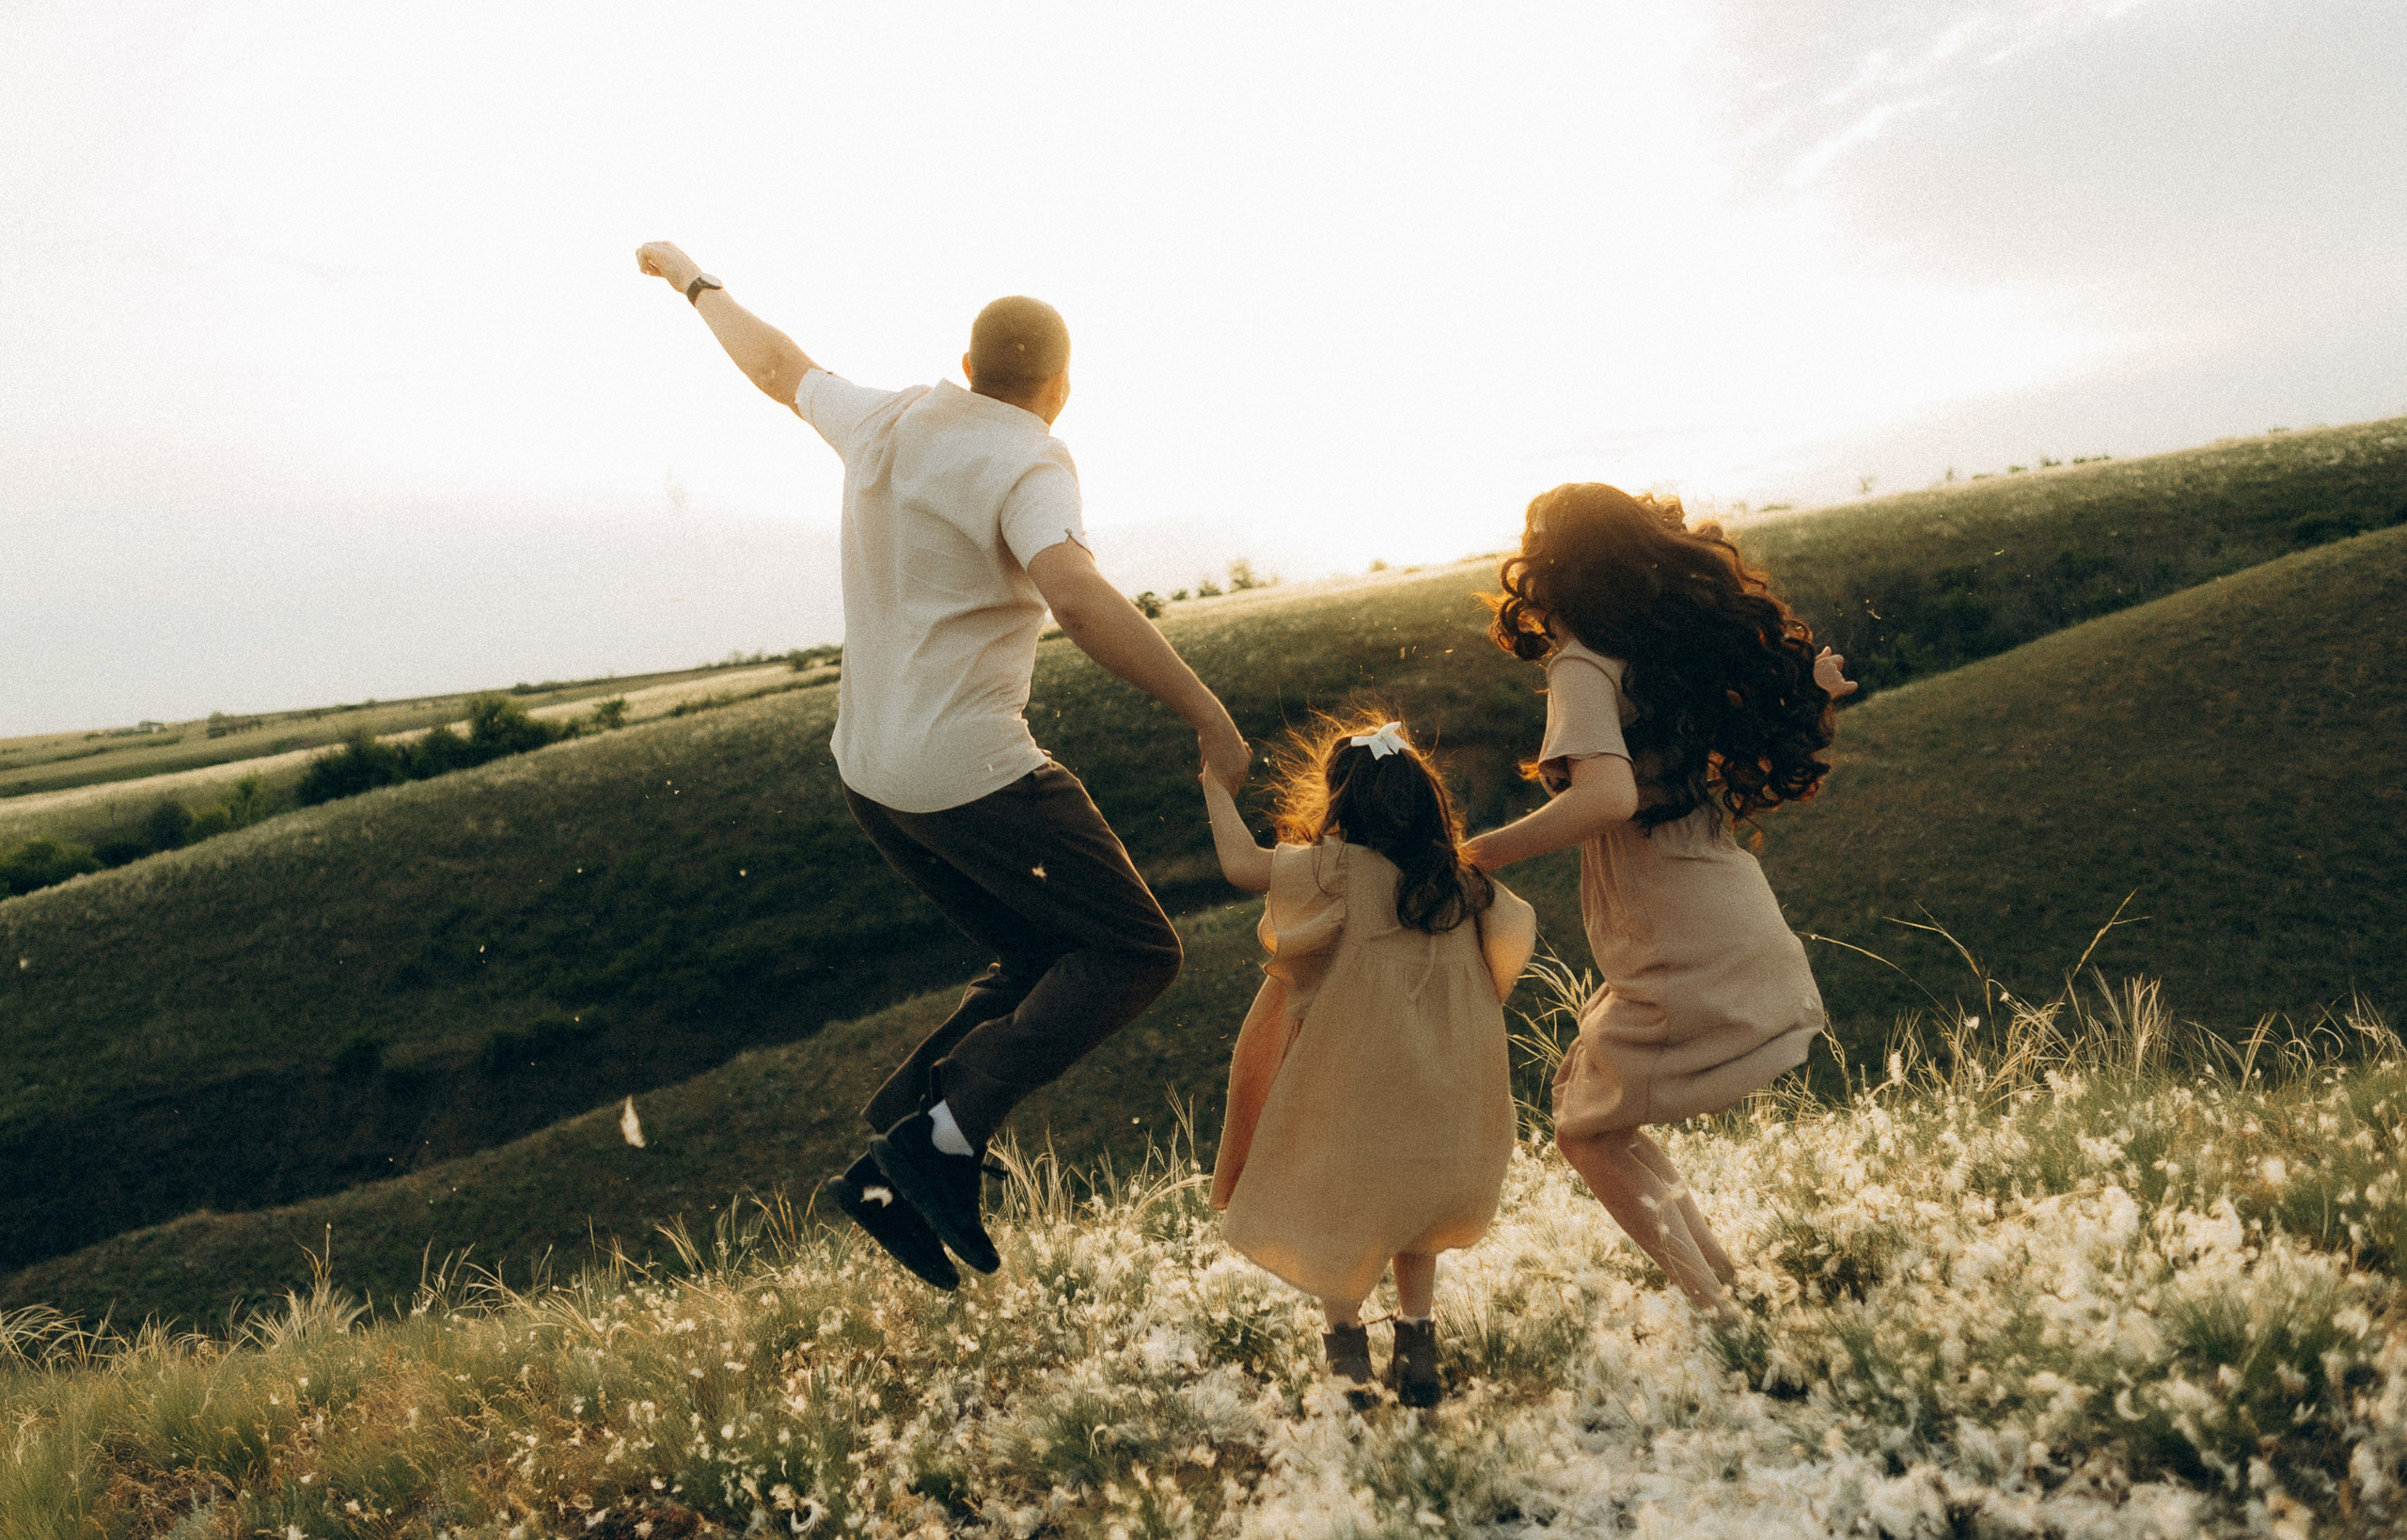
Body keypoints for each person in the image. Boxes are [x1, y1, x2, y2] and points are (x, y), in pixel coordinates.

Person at [636, 242, 1251, 1290]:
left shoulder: (890, 417)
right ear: (1059, 389)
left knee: (1035, 962)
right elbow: (1079, 596)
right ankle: (935, 1143)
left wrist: (694, 282)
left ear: (964, 365)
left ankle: (909, 1137)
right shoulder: (1031, 459)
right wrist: (1207, 714)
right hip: (973, 773)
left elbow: (775, 365)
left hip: (869, 771)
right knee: (1135, 952)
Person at [1461, 483, 1856, 1319]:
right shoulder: (1664, 652)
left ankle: (1714, 1306)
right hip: (1720, 904)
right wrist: (1811, 687)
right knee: (1589, 1111)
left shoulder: (1581, 661)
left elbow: (1606, 797)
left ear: (1554, 568)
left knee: (1584, 1131)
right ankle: (1728, 1286)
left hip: (1676, 926)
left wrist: (1481, 852)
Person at [1201, 712, 1536, 1406]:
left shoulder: (1339, 870)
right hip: (1447, 1099)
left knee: (1340, 1208)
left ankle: (1349, 1361)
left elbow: (1240, 865)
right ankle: (1418, 1345)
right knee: (1414, 1213)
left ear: (1343, 801)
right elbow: (1506, 954)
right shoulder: (1461, 883)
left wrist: (1214, 785)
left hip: (1360, 1092)